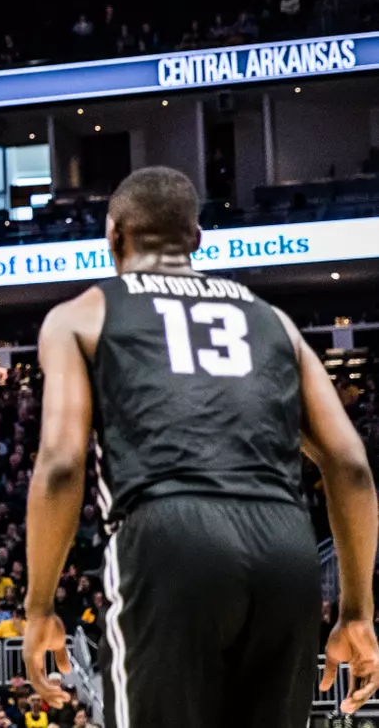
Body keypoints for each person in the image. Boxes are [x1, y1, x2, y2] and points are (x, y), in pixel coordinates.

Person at [22, 166, 379, 725]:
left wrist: (39, 605)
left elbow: (62, 465)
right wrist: (357, 612)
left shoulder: (81, 314)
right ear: (196, 238)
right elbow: (351, 466)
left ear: (113, 236)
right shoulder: (274, 322)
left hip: (169, 538)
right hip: (285, 546)